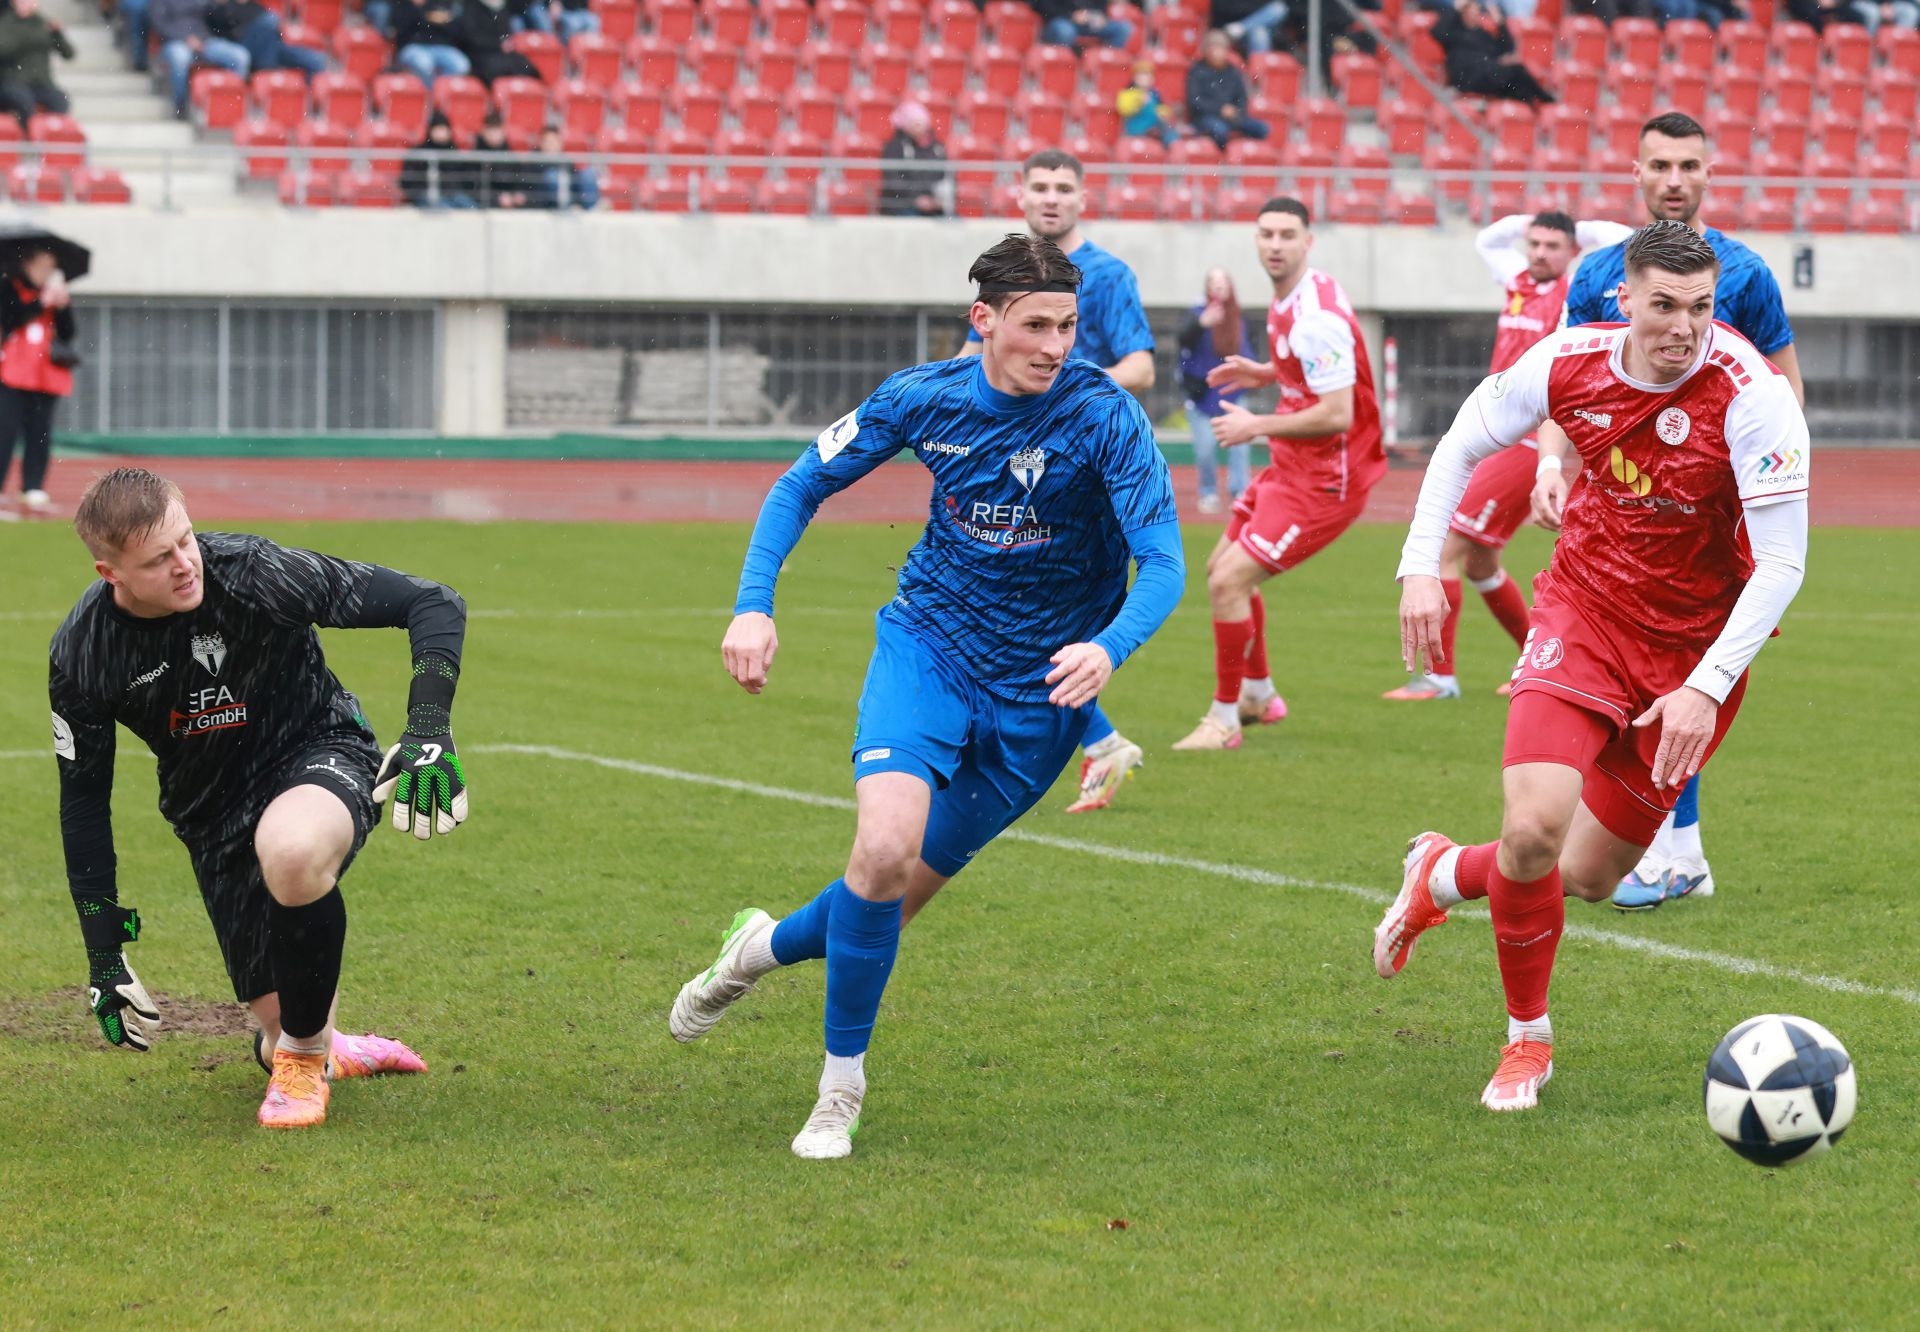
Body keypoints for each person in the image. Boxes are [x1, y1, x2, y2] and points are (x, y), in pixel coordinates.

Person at [669, 235, 1183, 1159]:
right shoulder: (922, 396)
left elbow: (1165, 564)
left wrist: (1107, 648)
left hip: (1040, 700)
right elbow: (800, 483)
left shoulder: (1108, 417)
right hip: (930, 649)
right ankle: (839, 1090)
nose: (1056, 345)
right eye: (1035, 325)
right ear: (983, 320)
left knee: (882, 904)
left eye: (1068, 326)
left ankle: (755, 949)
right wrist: (753, 605)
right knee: (881, 851)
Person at [1375, 221, 1810, 1113]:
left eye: (1700, 307)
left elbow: (1782, 564)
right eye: (1664, 306)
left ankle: (1443, 873)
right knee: (1534, 828)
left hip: (1693, 654)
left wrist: (1704, 687)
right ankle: (1526, 1041)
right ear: (1626, 299)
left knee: (1585, 875)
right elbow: (1459, 443)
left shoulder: (1752, 393)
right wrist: (1419, 565)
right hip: (1583, 617)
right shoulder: (1567, 360)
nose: (1683, 327)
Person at [49, 467, 472, 1128]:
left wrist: (428, 728)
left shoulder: (254, 572)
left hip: (318, 749)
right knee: (282, 1027)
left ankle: (304, 1062)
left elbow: (433, 602)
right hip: (211, 814)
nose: (185, 564)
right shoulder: (84, 654)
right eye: (158, 559)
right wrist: (103, 949)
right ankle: (317, 1047)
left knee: (292, 850)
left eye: (185, 539)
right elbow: (83, 803)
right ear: (111, 574)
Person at [1556, 110, 1805, 911]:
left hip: (1709, 518)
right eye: (1659, 165)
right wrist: (1551, 465)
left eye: (1688, 166)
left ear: (1707, 174)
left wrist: (1775, 490)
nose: (1674, 180)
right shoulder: (1599, 273)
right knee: (1640, 675)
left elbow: (1784, 386)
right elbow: (1565, 374)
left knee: (1683, 672)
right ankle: (1678, 852)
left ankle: (1669, 852)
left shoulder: (1746, 274)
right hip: (1622, 505)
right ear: (1635, 172)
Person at [957, 150, 1158, 814]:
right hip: (1014, 467)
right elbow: (973, 359)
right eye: (1040, 186)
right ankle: (1098, 741)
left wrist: (1068, 396)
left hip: (1082, 471)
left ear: (1081, 198)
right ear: (1020, 194)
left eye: (1063, 187)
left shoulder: (1108, 275)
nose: (1051, 197)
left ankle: (1088, 740)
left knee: (1013, 609)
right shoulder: (1006, 271)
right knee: (997, 608)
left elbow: (1141, 368)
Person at [1381, 209, 1631, 702]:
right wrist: (1532, 222)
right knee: (1481, 563)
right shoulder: (1518, 281)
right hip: (1502, 431)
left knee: (1446, 553)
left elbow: (1626, 240)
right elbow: (1487, 241)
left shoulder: (1575, 290)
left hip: (1530, 441)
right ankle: (1535, 663)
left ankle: (1438, 679)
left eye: (1552, 246)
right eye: (1534, 243)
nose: (1539, 253)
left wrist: (1576, 229)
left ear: (1573, 252)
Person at [1169, 197, 1384, 752]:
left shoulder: (1316, 318)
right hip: (1293, 467)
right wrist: (1267, 371)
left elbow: (1338, 413)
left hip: (1325, 483)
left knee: (1227, 582)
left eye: (1287, 235)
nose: (1275, 244)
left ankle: (1224, 719)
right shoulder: (1296, 295)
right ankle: (1260, 694)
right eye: (1267, 234)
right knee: (1221, 570)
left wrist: (1256, 425)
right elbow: (1311, 369)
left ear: (1308, 241)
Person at [0, 245, 77, 520]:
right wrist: (41, 302)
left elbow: (68, 333)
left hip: (45, 374)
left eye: (51, 266)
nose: (48, 271)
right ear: (28, 263)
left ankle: (33, 487)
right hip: (12, 373)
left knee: (40, 433)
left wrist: (62, 306)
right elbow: (11, 318)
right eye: (44, 265)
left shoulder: (56, 294)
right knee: (5, 432)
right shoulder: (9, 287)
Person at [1178, 266, 1255, 515]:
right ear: (1207, 287)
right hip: (1202, 395)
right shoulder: (1197, 314)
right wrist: (1202, 324)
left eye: (1223, 281)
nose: (1218, 286)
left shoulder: (1237, 318)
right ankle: (1209, 492)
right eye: (1213, 281)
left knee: (1240, 447)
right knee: (1205, 450)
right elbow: (1183, 340)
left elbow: (1247, 354)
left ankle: (1240, 492)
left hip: (1232, 393)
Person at [1432, 0, 1554, 107]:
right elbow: (1437, 32)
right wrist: (1456, 8)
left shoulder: (1482, 35)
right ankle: (1543, 99)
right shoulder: (1454, 33)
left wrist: (1500, 23)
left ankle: (1530, 107)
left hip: (1488, 75)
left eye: (1477, 10)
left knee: (1517, 78)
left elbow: (1506, 49)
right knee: (1517, 73)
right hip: (1467, 77)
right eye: (1471, 10)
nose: (1475, 13)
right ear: (1463, 12)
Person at [152, 0, 249, 118]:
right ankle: (180, 106)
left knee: (240, 57)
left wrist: (221, 6)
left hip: (204, 41)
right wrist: (185, 38)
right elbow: (159, 24)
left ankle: (230, 102)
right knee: (179, 58)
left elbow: (216, 19)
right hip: (176, 41)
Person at [204, 0, 328, 82]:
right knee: (269, 21)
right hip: (249, 46)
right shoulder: (220, 8)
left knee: (315, 60)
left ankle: (307, 103)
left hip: (272, 45)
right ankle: (268, 74)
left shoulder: (254, 5)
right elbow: (223, 29)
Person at [1185, 30, 1269, 150]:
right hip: (1205, 117)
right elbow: (1194, 101)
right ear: (1206, 50)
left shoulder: (1233, 72)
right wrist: (1220, 109)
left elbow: (1242, 98)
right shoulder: (1196, 71)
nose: (1217, 53)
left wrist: (1236, 112)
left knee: (1261, 129)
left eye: (1221, 48)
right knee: (1219, 131)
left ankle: (1245, 155)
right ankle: (1222, 158)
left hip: (1232, 118)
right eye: (1214, 48)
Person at [0, 0, 73, 130]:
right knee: (24, 102)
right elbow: (3, 49)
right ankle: (26, 135)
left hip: (41, 82)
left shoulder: (44, 23)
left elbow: (68, 54)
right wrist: (25, 32)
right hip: (14, 81)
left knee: (60, 101)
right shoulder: (6, 23)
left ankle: (50, 133)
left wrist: (58, 34)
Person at [878, 100, 947, 218]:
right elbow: (893, 181)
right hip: (901, 207)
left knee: (954, 222)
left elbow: (945, 177)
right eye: (915, 124)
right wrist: (915, 199)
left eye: (921, 123)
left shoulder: (937, 148)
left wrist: (937, 199)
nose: (920, 128)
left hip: (933, 210)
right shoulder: (895, 147)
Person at [399, 112, 479, 208]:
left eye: (443, 129)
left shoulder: (455, 154)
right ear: (430, 131)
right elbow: (408, 181)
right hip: (426, 195)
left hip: (453, 194)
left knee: (471, 208)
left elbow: (466, 180)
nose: (440, 133)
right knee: (443, 209)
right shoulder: (418, 153)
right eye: (437, 129)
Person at [394, 0, 470, 88]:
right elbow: (400, 29)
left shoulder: (447, 4)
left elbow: (457, 30)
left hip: (442, 47)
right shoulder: (406, 4)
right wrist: (418, 8)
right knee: (424, 64)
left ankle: (441, 91)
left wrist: (444, 20)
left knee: (460, 65)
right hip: (414, 46)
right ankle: (430, 92)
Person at [523, 124, 600, 209]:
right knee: (552, 177)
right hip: (548, 203)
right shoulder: (533, 161)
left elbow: (573, 181)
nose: (550, 145)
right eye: (547, 141)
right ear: (541, 143)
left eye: (553, 141)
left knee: (588, 173)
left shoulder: (565, 160)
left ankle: (590, 210)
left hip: (569, 196)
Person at [1116, 59, 1175, 146]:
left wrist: (1161, 113)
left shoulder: (1155, 95)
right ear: (1135, 78)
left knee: (1168, 132)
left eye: (1148, 75)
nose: (1145, 79)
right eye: (1142, 75)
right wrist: (1139, 101)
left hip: (1155, 132)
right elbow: (1124, 109)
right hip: (1135, 133)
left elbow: (1164, 110)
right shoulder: (1128, 93)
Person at [1034, 0, 1134, 48]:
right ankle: (1066, 64)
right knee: (1066, 31)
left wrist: (1098, 16)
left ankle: (1104, 63)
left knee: (1123, 28)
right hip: (1060, 21)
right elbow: (1043, 6)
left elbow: (1101, 7)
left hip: (1088, 23)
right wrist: (1071, 16)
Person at [1210, 0, 1289, 54]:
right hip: (1230, 28)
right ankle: (1258, 70)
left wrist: (1244, 25)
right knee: (1259, 33)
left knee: (1279, 8)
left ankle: (1243, 26)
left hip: (1253, 25)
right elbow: (1221, 10)